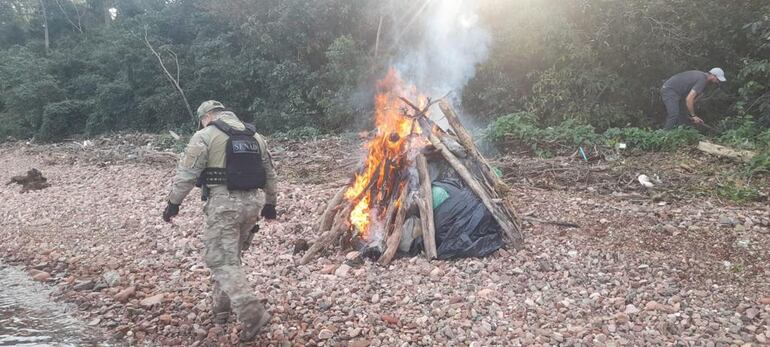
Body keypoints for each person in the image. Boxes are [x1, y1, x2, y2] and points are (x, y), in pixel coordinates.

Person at [161, 100, 278, 341]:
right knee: (230, 256)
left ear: (206, 117)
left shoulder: (204, 135)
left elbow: (187, 174)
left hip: (225, 205)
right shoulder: (256, 137)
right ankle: (221, 310)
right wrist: (271, 204)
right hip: (253, 204)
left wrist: (173, 204)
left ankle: (251, 312)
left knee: (220, 259)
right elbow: (270, 173)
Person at [661, 67, 726, 129]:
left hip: (679, 93)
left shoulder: (703, 79)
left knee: (683, 115)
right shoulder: (702, 79)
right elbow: (689, 99)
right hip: (670, 90)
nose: (717, 82)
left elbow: (691, 100)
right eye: (717, 79)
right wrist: (693, 116)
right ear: (712, 75)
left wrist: (688, 113)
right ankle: (664, 135)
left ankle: (682, 135)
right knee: (674, 114)